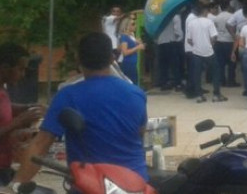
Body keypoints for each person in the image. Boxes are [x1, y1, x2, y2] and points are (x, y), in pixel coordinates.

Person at [11, 32, 148, 190]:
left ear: (78, 60)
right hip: (136, 183)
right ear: (112, 58)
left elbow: (40, 145)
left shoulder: (68, 96)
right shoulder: (136, 94)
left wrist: (16, 183)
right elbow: (140, 133)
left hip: (93, 186)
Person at [0, 43, 44, 186]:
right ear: (5, 68)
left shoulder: (2, 89)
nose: (23, 74)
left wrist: (26, 107)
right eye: (20, 69)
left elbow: (4, 107)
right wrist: (19, 121)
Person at [187, 1, 224, 103]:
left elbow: (189, 40)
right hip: (209, 51)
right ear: (204, 11)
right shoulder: (209, 22)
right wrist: (211, 44)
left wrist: (196, 45)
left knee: (197, 74)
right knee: (216, 72)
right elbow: (214, 37)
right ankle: (216, 94)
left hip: (196, 52)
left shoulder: (191, 23)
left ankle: (199, 95)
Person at [155, 13, 183, 91]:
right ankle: (177, 84)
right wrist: (179, 39)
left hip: (160, 43)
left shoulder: (158, 17)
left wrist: (157, 40)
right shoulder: (175, 16)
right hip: (171, 42)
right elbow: (178, 31)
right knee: (175, 65)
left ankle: (164, 83)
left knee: (163, 65)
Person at [118, 17, 146, 85]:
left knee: (134, 82)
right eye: (133, 24)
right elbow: (125, 52)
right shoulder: (124, 36)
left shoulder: (132, 35)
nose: (135, 25)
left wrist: (138, 43)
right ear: (127, 25)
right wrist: (137, 47)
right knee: (131, 83)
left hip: (132, 63)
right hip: (127, 63)